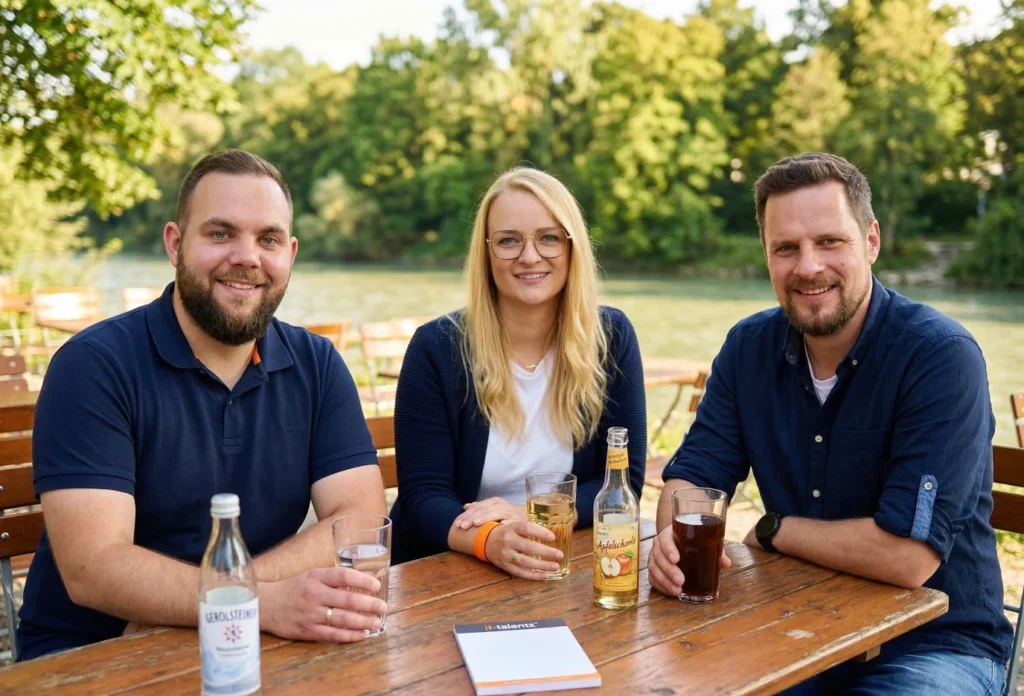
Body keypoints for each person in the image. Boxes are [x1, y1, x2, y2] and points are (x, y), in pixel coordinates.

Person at [649, 153, 1012, 694]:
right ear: (767, 257)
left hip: (933, 645)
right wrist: (670, 536)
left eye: (829, 242)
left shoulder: (939, 356)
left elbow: (908, 557)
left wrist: (777, 529)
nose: (808, 266)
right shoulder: (749, 348)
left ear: (870, 241)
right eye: (786, 248)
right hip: (789, 628)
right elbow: (694, 478)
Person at [17, 150, 389, 660]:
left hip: (254, 637)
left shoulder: (318, 363)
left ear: (291, 254)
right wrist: (258, 602)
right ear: (175, 243)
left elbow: (359, 516)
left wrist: (242, 600)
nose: (246, 257)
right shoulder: (93, 365)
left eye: (268, 239)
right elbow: (93, 568)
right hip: (94, 654)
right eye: (220, 233)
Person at [389, 167, 646, 572]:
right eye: (509, 241)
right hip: (449, 566)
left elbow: (620, 483)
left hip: (563, 560)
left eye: (548, 238)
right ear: (487, 252)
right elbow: (424, 499)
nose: (529, 256)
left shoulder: (611, 337)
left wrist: (525, 514)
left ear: (572, 247)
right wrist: (491, 539)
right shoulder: (437, 347)